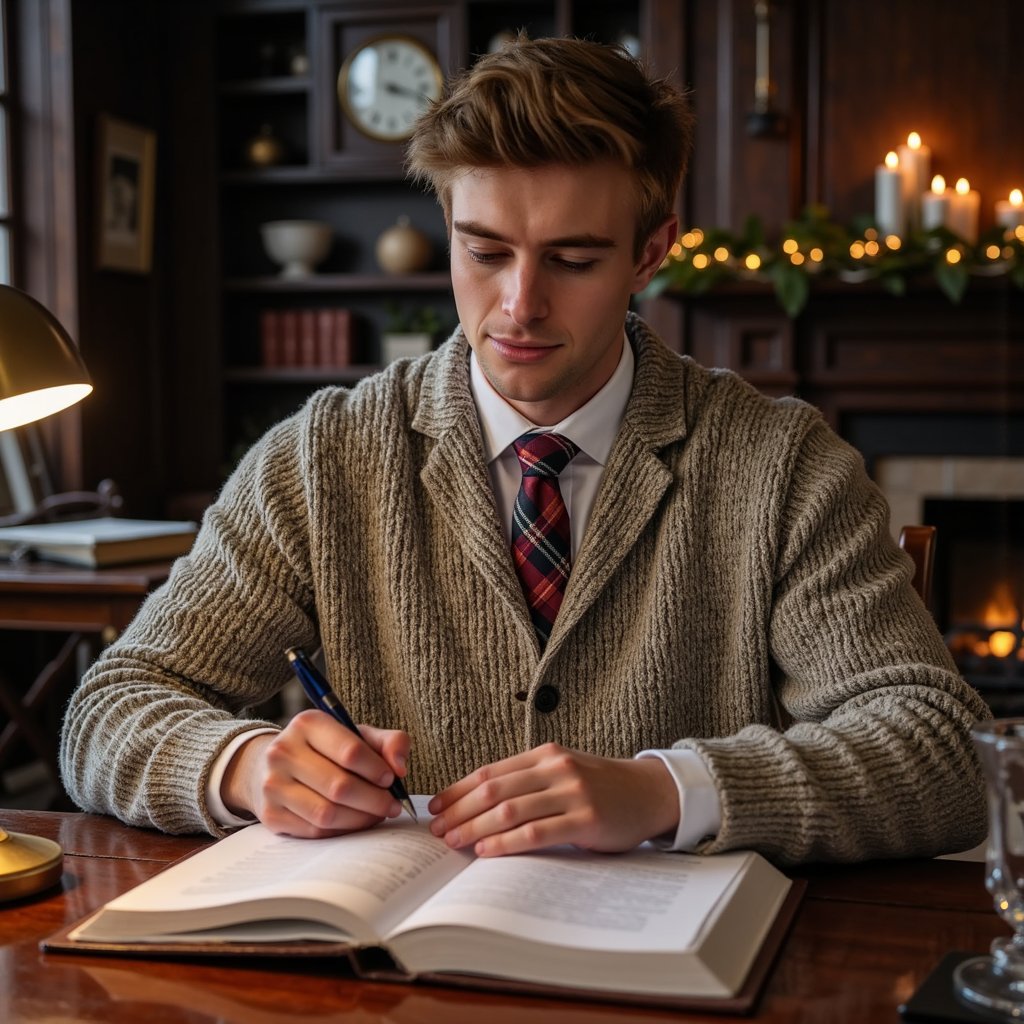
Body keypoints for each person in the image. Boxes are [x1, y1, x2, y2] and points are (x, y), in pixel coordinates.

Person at [60, 35, 987, 865]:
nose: (519, 306)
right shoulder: (321, 460)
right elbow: (110, 710)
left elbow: (939, 749)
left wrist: (668, 791)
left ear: (652, 250)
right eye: (484, 251)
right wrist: (243, 763)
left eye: (574, 260)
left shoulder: (782, 465)